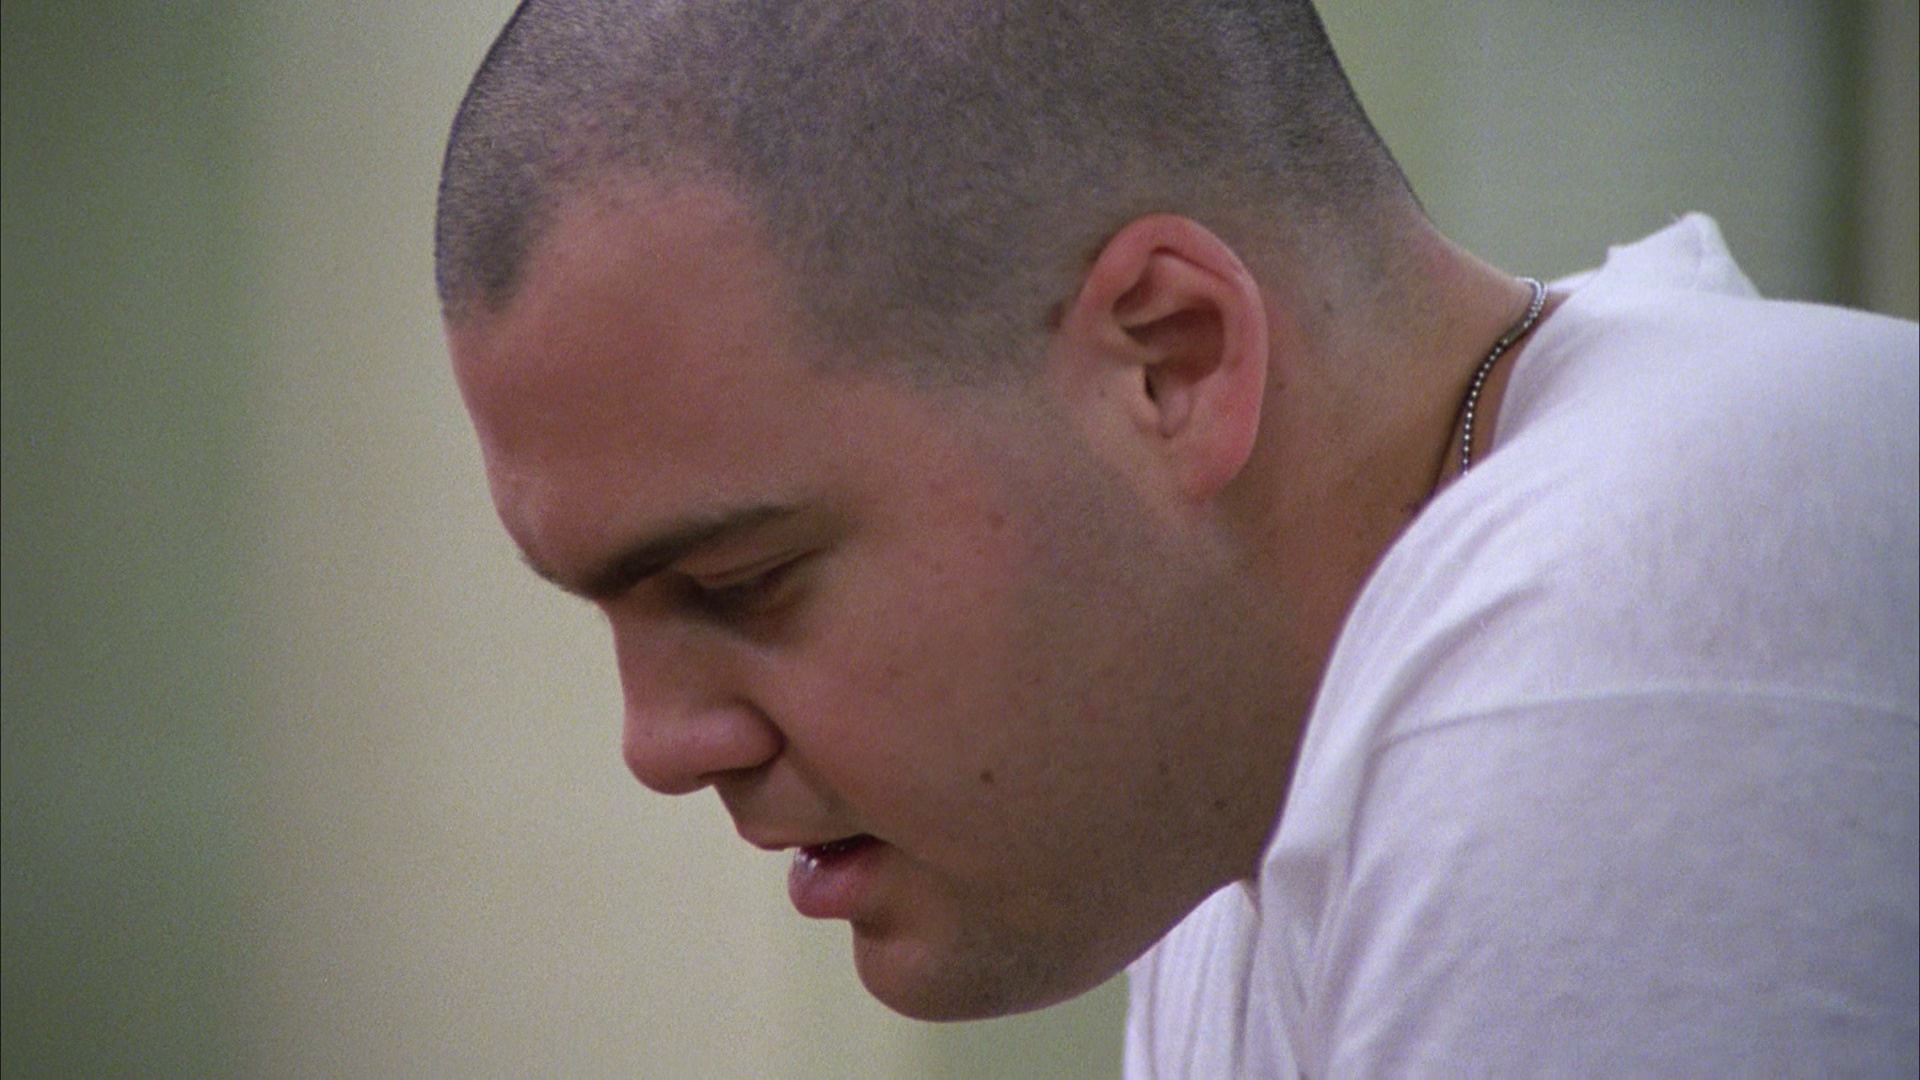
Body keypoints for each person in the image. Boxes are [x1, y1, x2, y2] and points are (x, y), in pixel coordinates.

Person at [434, 1, 1920, 1074]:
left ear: (1170, 361)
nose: (660, 744)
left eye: (740, 580)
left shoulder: (1626, 639)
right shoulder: (1241, 837)